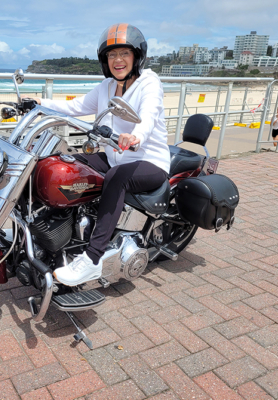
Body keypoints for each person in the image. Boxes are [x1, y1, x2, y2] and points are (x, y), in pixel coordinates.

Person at [24, 23, 170, 286]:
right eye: (112, 55)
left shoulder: (150, 82)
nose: (118, 60)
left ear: (137, 56)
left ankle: (91, 259)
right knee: (64, 165)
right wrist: (38, 104)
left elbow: (148, 114)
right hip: (116, 155)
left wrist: (136, 135)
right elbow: (74, 107)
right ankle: (53, 232)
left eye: (124, 53)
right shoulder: (106, 86)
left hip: (148, 160)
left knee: (117, 177)